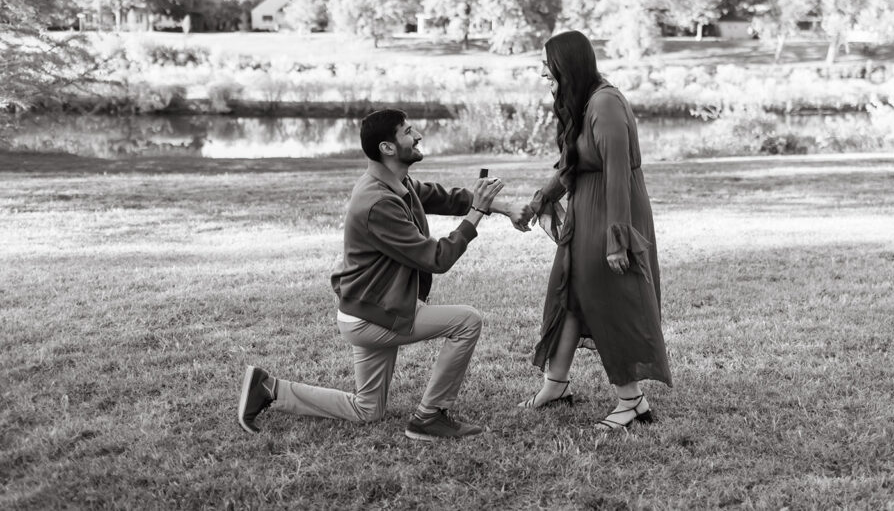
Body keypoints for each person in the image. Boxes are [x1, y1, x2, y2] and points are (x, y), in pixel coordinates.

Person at [237, 108, 529, 441]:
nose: (417, 135)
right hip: (373, 319)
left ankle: (268, 388)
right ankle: (429, 417)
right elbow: (437, 257)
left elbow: (446, 198)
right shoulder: (378, 202)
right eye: (408, 132)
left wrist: (503, 207)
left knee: (368, 409)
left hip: (368, 310)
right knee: (467, 321)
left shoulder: (394, 182)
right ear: (388, 148)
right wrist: (477, 213)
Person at [517, 30, 672, 430]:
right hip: (585, 212)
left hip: (613, 213)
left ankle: (632, 401)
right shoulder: (583, 103)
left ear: (568, 67)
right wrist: (538, 201)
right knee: (570, 293)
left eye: (549, 70)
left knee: (610, 299)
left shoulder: (604, 103)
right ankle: (556, 384)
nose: (545, 78)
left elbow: (618, 172)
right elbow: (570, 165)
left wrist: (617, 240)